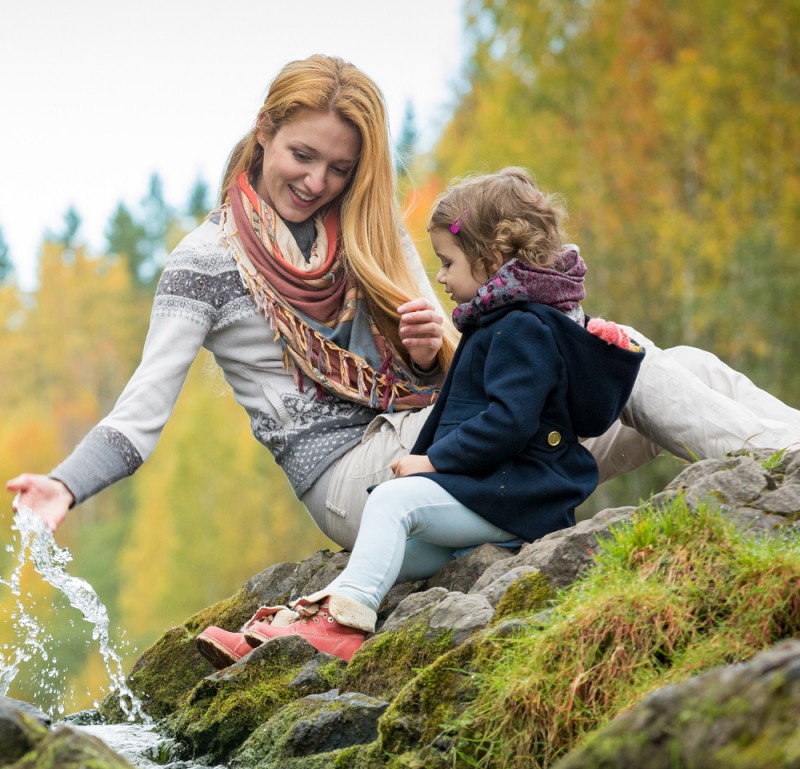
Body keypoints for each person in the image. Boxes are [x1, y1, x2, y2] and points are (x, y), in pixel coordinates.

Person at [6, 55, 800, 585]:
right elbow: (138, 418)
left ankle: (785, 461)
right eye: (301, 156)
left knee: (676, 364)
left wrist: (439, 346)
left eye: (341, 168)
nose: (317, 182)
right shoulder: (202, 263)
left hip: (457, 437)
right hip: (363, 482)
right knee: (631, 364)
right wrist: (64, 488)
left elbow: (479, 369)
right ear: (264, 134)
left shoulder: (374, 225)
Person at [195, 168, 646, 666]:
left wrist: (432, 462)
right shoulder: (501, 322)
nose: (441, 277)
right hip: (498, 496)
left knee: (393, 502)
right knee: (384, 556)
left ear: (491, 261)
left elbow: (510, 423)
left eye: (448, 263)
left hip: (519, 497)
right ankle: (299, 628)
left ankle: (342, 628)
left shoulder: (520, 327)